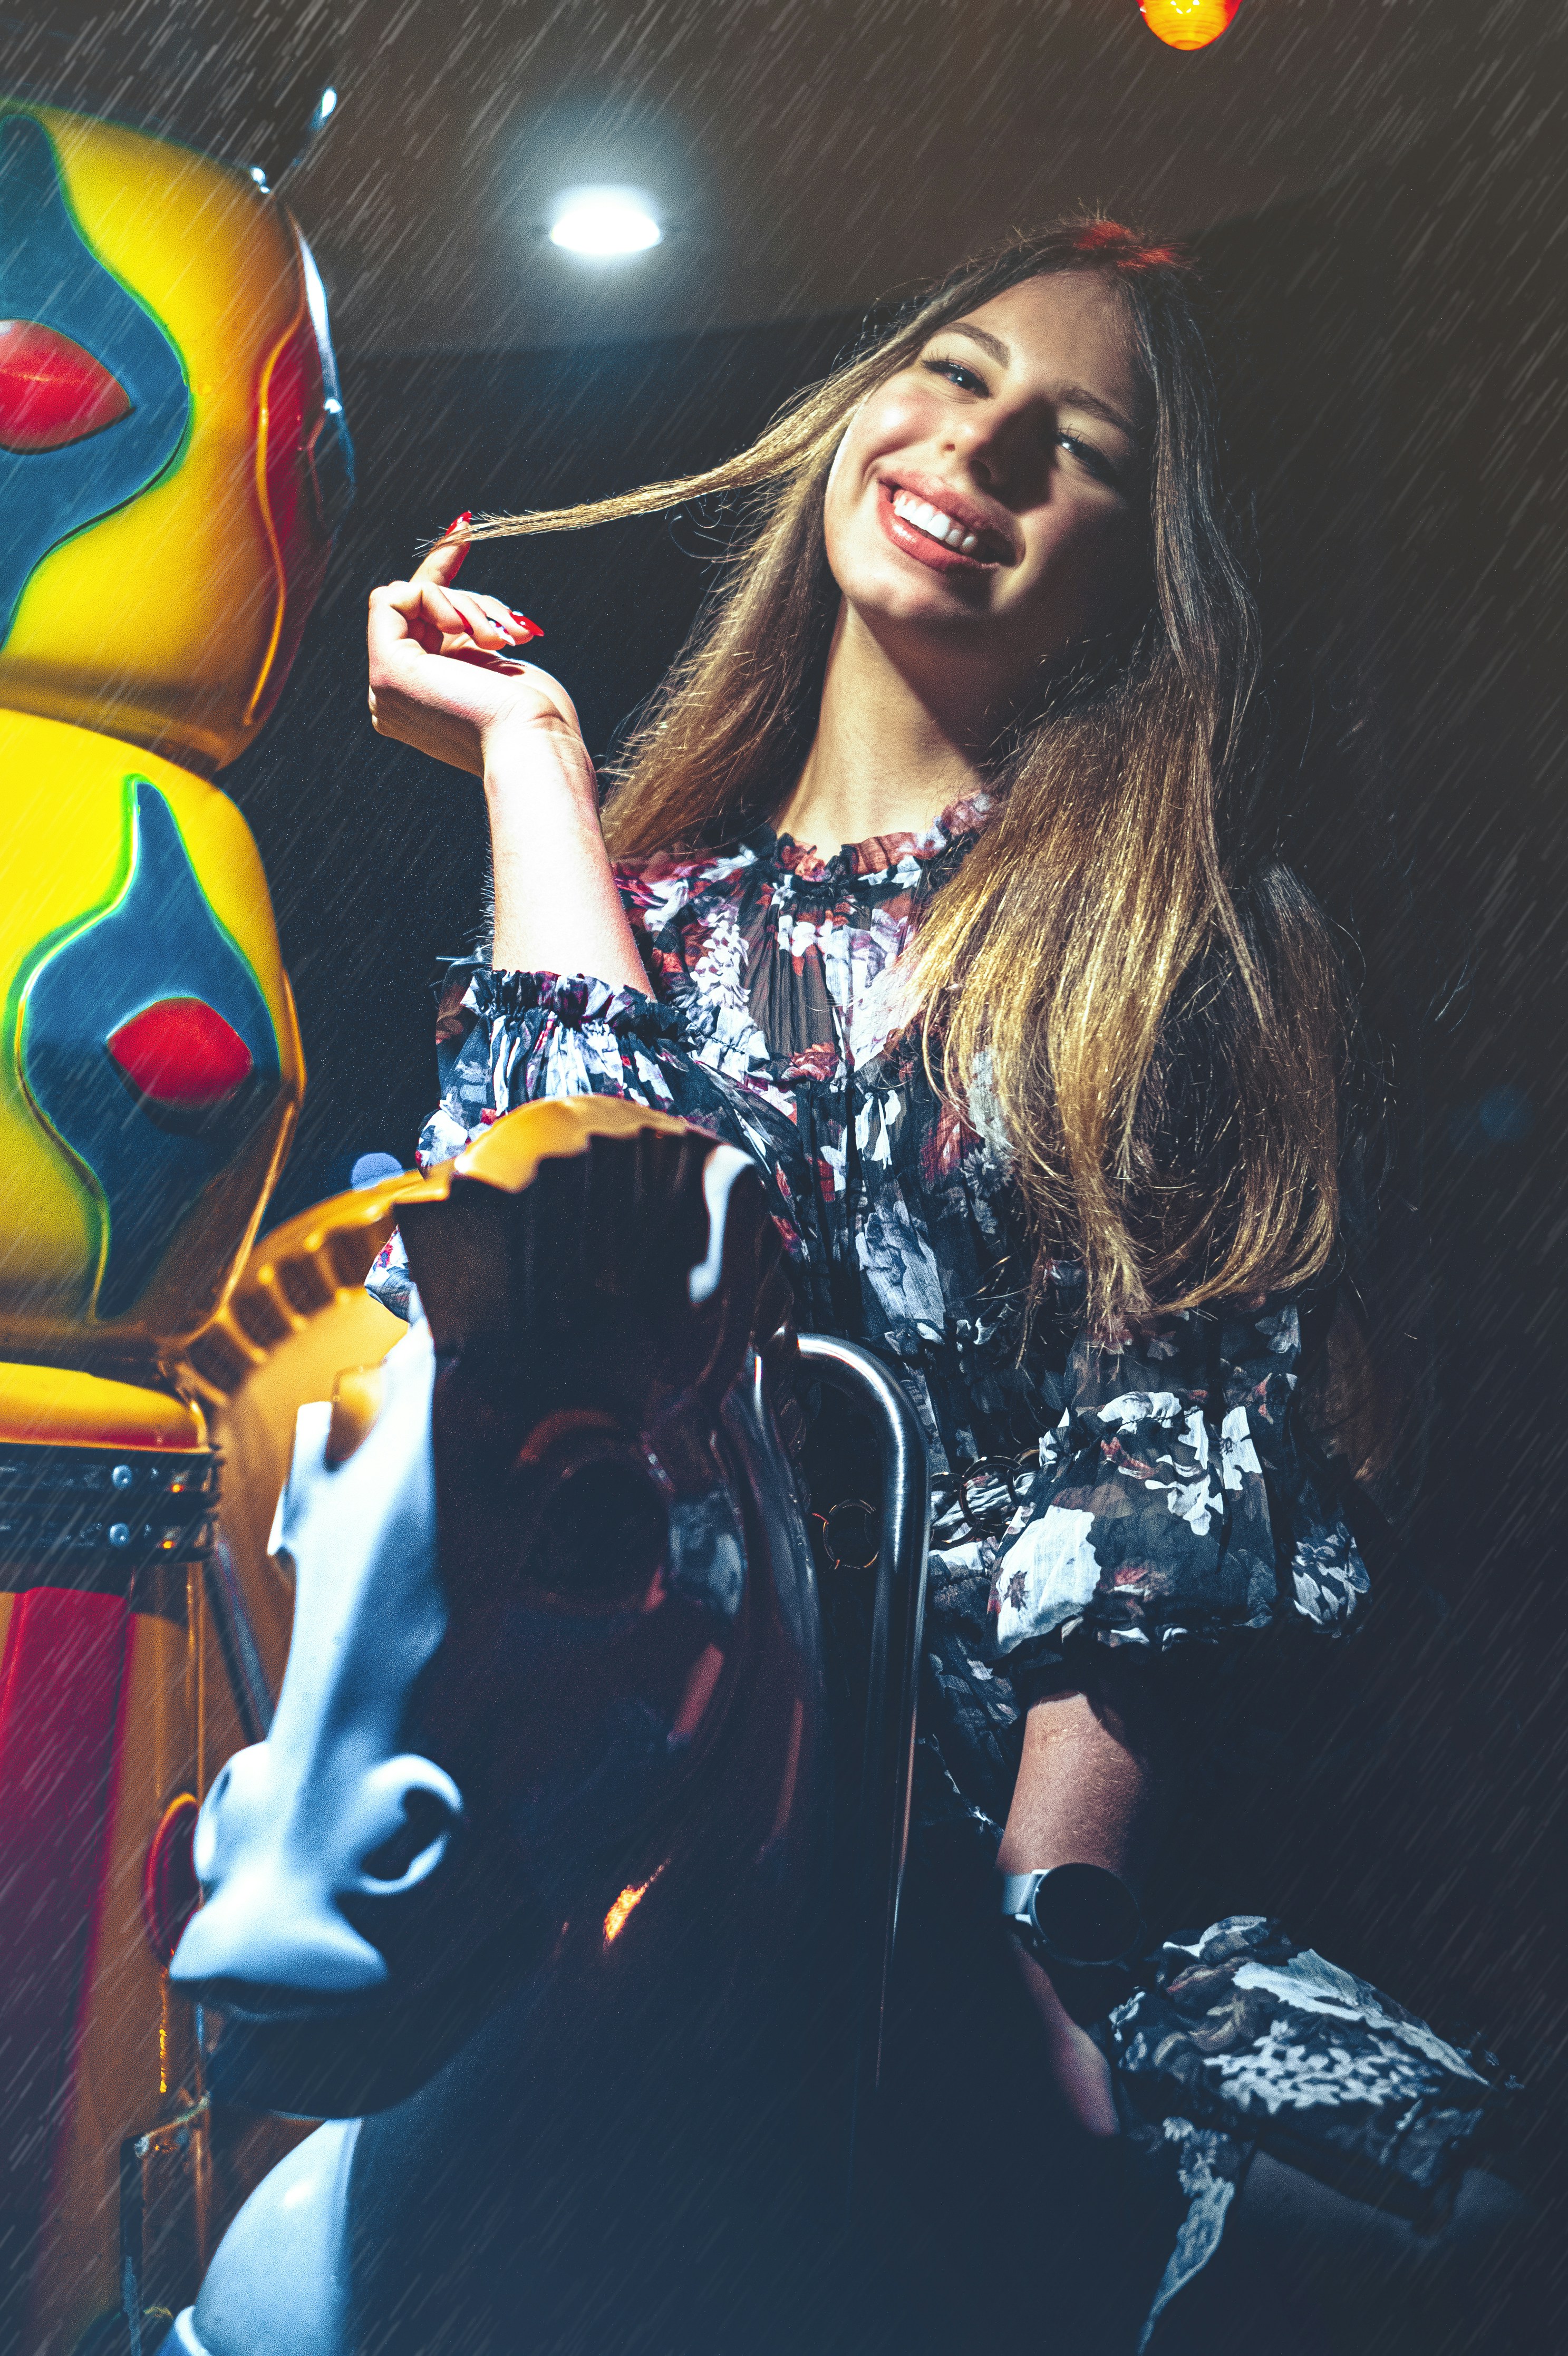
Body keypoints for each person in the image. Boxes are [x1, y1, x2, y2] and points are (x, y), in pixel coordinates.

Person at [362, 221, 1527, 2351]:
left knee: (1429, 2220)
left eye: (1071, 446)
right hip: (611, 1838)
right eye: (957, 373)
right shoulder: (622, 914)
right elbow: (602, 1280)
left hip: (997, 1874)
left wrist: (1037, 1941)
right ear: (856, 413)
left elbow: (1169, 1475)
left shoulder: (1172, 945)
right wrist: (533, 760)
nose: (979, 449)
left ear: (1131, 579)